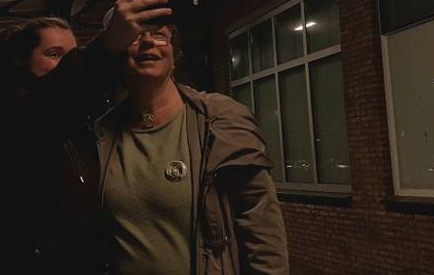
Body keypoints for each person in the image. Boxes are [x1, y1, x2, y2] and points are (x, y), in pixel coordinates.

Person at [0, 0, 172, 275]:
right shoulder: (3, 116)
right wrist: (109, 43)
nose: (64, 65)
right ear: (20, 60)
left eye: (71, 55)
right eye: (53, 54)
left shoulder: (73, 127)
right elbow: (48, 105)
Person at [94, 22, 289, 275]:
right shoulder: (102, 134)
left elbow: (261, 225)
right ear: (118, 55)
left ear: (174, 54)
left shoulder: (220, 120)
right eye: (134, 36)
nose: (148, 41)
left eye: (159, 35)